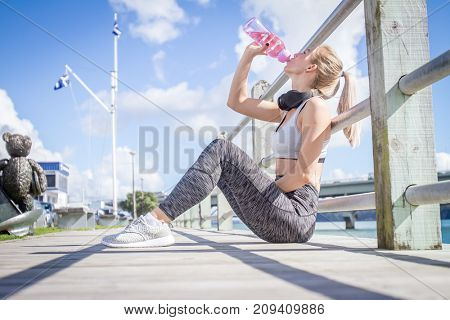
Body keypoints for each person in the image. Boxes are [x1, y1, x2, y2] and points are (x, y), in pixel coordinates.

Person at [101, 39, 361, 248]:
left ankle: (156, 222)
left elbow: (304, 175)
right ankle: (157, 222)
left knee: (222, 150)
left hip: (295, 216)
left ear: (311, 68)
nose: (296, 52)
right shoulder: (287, 110)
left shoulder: (315, 108)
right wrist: (249, 55)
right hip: (279, 210)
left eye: (305, 51)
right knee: (221, 163)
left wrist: (262, 189)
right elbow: (236, 102)